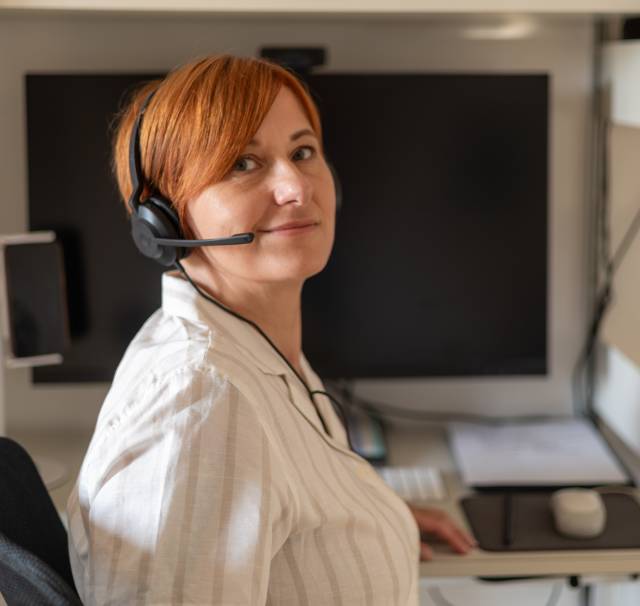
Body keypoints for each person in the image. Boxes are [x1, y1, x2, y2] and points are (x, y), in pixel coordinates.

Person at [66, 54, 475, 605]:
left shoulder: (256, 349)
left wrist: (370, 519)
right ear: (164, 220)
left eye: (302, 152)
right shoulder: (201, 402)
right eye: (243, 163)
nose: (295, 187)